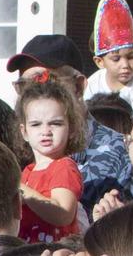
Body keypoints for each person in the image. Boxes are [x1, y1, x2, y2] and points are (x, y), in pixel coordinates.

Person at [5, 33, 133, 209]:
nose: (35, 93)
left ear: (79, 86)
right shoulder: (12, 149)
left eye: (45, 81)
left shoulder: (119, 150)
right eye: (24, 85)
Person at [15, 78, 85, 243]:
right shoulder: (28, 172)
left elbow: (63, 214)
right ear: (24, 132)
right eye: (36, 124)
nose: (45, 131)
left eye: (56, 123)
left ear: (71, 128)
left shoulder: (64, 167)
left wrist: (22, 190)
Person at [83, 0, 133, 109]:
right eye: (116, 59)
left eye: (130, 57)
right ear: (100, 62)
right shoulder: (92, 84)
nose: (125, 65)